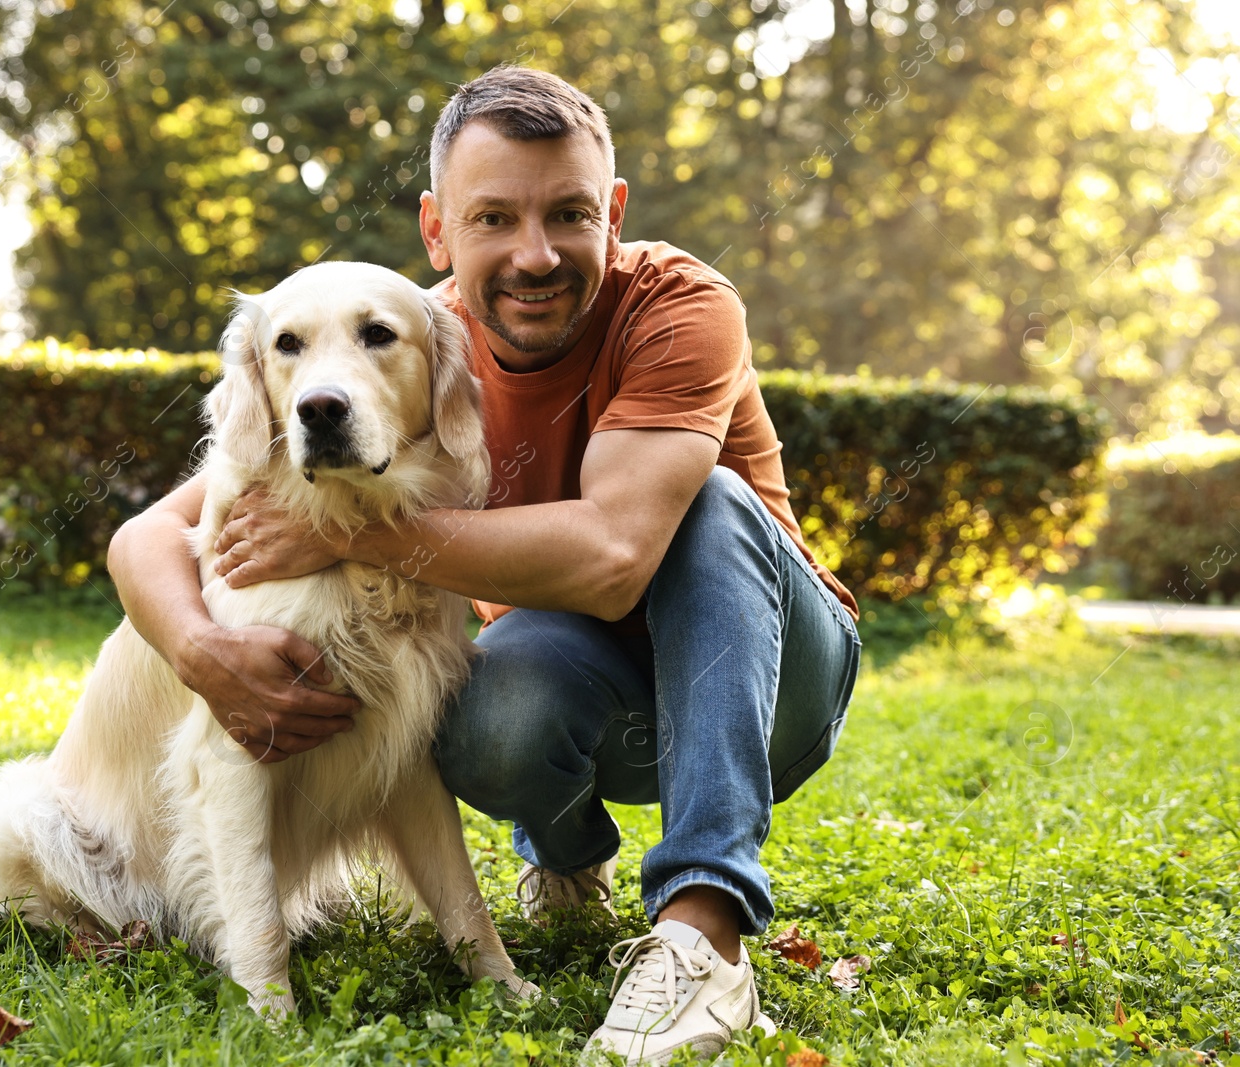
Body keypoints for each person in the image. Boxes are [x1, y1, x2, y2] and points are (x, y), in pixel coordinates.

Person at [106, 65, 861, 1065]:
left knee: (711, 499)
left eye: (569, 214)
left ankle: (702, 932)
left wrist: (349, 533)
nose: (535, 253)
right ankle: (565, 858)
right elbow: (147, 534)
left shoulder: (679, 304)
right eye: (494, 217)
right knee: (476, 700)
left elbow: (611, 559)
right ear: (437, 229)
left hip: (770, 688)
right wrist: (202, 649)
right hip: (594, 689)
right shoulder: (399, 340)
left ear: (614, 212)